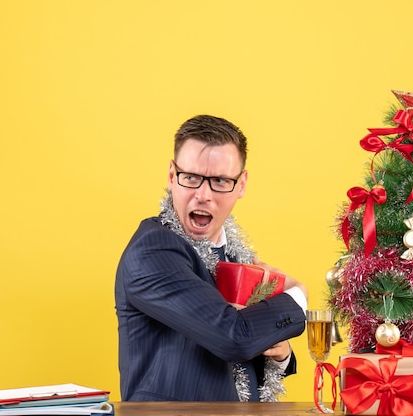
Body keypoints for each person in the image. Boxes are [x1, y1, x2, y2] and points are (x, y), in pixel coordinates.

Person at [115, 114, 308, 402]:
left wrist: (280, 353)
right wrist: (299, 295)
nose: (203, 195)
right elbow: (234, 336)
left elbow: (244, 351)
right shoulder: (152, 251)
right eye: (191, 177)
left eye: (219, 180)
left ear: (241, 184)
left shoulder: (234, 255)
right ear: (171, 176)